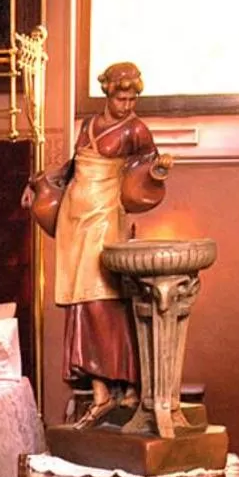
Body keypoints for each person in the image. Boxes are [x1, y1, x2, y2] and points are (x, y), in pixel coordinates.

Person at [24, 61, 173, 428]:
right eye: (122, 97)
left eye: (134, 97)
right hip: (75, 214)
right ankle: (99, 389)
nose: (128, 104)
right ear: (108, 92)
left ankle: (124, 387)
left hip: (105, 214)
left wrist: (158, 170)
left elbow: (147, 166)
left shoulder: (136, 128)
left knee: (103, 298)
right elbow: (74, 166)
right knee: (79, 300)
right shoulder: (89, 124)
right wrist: (39, 185)